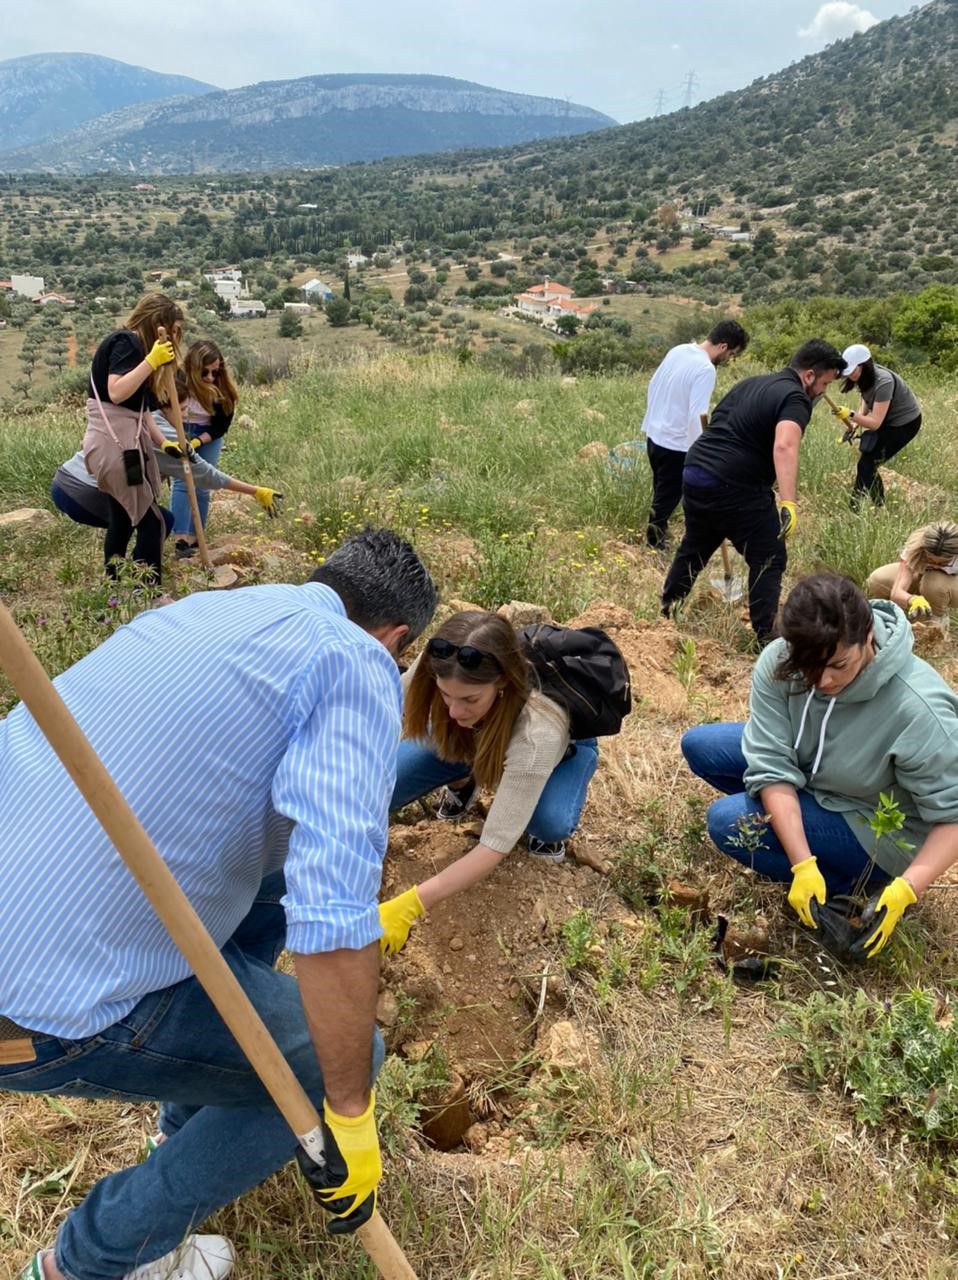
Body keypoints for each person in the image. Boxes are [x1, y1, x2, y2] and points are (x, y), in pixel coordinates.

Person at [1, 528, 437, 1280]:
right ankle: (88, 1264)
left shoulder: (208, 611)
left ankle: (186, 1121)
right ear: (396, 639)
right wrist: (348, 1109)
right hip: (30, 1018)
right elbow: (333, 914)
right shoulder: (355, 660)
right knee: (332, 1064)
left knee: (273, 873)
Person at [681, 573, 958, 957]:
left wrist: (908, 887)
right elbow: (771, 763)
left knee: (728, 822)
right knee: (702, 746)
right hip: (817, 770)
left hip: (874, 823)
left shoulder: (918, 708)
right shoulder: (781, 660)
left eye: (838, 665)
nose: (823, 680)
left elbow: (953, 817)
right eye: (809, 666)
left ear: (867, 636)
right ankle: (811, 851)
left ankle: (854, 884)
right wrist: (802, 863)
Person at [378, 610, 599, 956]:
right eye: (445, 695)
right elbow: (379, 711)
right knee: (383, 786)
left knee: (548, 823)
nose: (453, 710)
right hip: (477, 733)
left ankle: (551, 793)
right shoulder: (444, 663)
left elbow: (493, 846)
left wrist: (409, 905)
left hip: (560, 749)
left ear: (502, 684)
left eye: (469, 699)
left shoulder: (537, 732)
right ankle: (464, 777)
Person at [661, 339, 846, 645]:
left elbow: (720, 423)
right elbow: (785, 445)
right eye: (825, 383)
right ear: (809, 375)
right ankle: (765, 636)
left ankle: (667, 610)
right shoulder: (795, 398)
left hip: (695, 471)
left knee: (695, 545)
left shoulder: (751, 383)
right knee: (770, 556)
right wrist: (789, 503)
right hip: (735, 484)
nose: (823, 391)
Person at [53, 376, 282, 535]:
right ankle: (144, 581)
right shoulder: (165, 437)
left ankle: (121, 575)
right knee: (158, 523)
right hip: (83, 491)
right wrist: (255, 491)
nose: (185, 416)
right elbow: (205, 474)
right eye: (181, 410)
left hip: (65, 479)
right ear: (165, 406)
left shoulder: (144, 415)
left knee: (135, 519)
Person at [82, 293, 190, 590]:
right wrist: (151, 361)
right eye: (173, 330)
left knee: (122, 519)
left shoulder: (137, 353)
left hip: (119, 447)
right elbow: (116, 392)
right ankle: (149, 593)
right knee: (153, 522)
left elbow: (140, 412)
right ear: (158, 324)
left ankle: (114, 587)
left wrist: (163, 443)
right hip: (115, 450)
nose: (175, 338)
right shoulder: (126, 343)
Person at [642, 319, 749, 550]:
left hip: (653, 434)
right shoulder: (705, 369)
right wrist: (701, 452)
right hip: (675, 444)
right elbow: (697, 415)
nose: (729, 359)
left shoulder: (679, 350)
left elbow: (653, 385)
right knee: (667, 497)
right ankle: (654, 544)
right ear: (723, 346)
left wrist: (653, 421)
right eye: (731, 354)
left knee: (661, 490)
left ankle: (659, 532)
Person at [171, 341, 239, 559]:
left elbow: (220, 426)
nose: (210, 377)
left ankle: (195, 538)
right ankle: (181, 540)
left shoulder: (222, 390)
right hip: (181, 430)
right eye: (205, 372)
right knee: (183, 481)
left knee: (203, 483)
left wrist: (199, 442)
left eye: (215, 372)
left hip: (209, 436)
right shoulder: (177, 381)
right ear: (192, 368)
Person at [836, 343, 922, 507]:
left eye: (852, 371)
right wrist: (856, 421)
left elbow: (875, 423)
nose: (850, 376)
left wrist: (851, 414)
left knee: (867, 464)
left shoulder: (883, 381)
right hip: (887, 421)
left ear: (863, 365)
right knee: (867, 464)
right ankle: (867, 505)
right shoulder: (864, 377)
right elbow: (867, 397)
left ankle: (865, 506)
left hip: (905, 424)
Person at [866, 521, 958, 632]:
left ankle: (937, 622)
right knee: (878, 579)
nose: (936, 565)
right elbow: (897, 592)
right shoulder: (916, 548)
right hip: (924, 577)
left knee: (933, 582)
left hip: (949, 585)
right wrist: (913, 599)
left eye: (943, 563)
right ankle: (901, 616)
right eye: (930, 560)